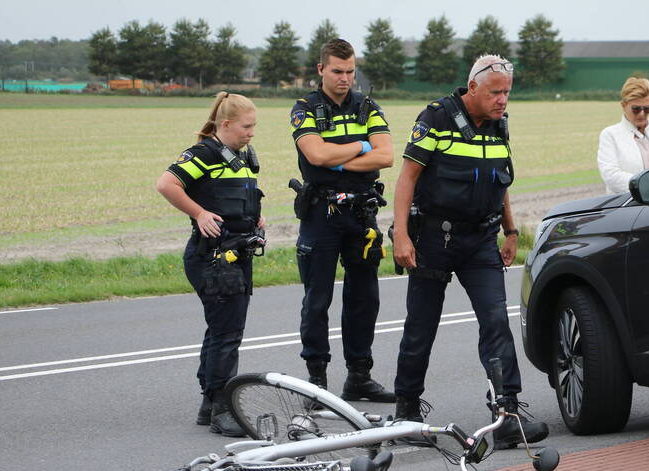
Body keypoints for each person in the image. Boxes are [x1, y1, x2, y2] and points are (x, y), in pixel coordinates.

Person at [391, 54, 548, 449]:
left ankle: (507, 415)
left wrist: (510, 230)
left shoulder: (499, 124)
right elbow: (407, 178)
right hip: (434, 239)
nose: (502, 100)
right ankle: (406, 413)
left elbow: (500, 180)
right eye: (495, 92)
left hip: (481, 240)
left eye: (507, 92)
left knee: (496, 321)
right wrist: (401, 236)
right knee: (421, 326)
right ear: (473, 87)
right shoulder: (436, 118)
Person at [290, 38, 395, 403]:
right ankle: (316, 381)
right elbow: (316, 154)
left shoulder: (367, 106)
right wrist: (361, 146)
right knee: (317, 299)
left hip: (362, 213)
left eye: (350, 72)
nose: (345, 79)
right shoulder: (305, 108)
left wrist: (338, 160)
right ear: (321, 69)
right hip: (322, 214)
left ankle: (359, 377)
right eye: (337, 71)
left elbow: (386, 156)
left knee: (364, 298)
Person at [157, 92, 266, 437]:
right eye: (246, 127)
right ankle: (222, 408)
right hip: (212, 258)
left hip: (236, 255)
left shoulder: (241, 156)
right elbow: (166, 184)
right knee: (227, 333)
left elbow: (237, 197)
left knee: (223, 329)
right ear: (226, 124)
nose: (251, 133)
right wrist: (199, 213)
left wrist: (255, 217)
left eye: (254, 126)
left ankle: (210, 403)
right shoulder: (204, 154)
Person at [596, 77, 649, 195]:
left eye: (647, 109)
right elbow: (611, 176)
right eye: (636, 109)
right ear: (623, 105)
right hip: (629, 204)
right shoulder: (610, 135)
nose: (642, 114)